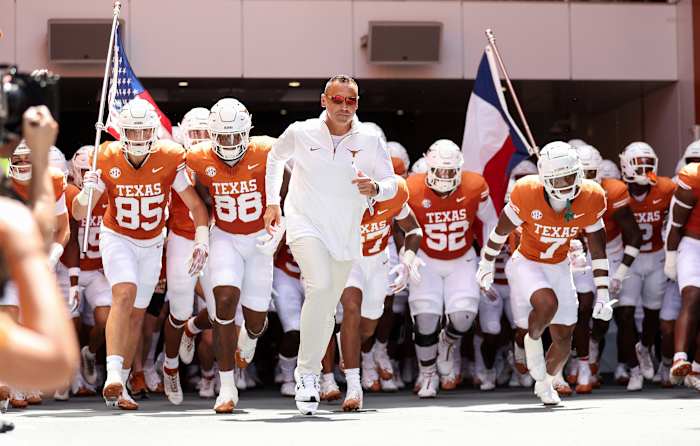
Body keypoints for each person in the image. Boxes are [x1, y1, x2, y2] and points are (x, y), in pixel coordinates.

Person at [264, 74, 398, 415]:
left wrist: (376, 189)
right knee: (320, 286)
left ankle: (312, 370)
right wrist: (272, 203)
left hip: (345, 233)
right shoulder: (301, 130)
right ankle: (307, 374)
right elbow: (274, 158)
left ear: (357, 104)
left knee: (325, 305)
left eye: (350, 100)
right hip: (303, 222)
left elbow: (391, 182)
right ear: (324, 100)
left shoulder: (369, 138)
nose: (343, 106)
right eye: (337, 99)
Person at [72, 98, 210, 410]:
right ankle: (113, 376)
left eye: (143, 131)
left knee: (136, 313)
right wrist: (85, 192)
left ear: (154, 131)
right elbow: (80, 212)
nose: (136, 139)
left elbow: (197, 207)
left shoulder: (169, 156)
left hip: (152, 242)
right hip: (117, 236)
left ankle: (121, 383)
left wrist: (201, 238)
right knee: (123, 294)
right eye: (131, 132)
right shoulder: (104, 157)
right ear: (121, 132)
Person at [476, 141, 614, 405]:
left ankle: (546, 382)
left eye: (570, 176)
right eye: (557, 178)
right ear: (544, 178)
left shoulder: (592, 196)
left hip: (559, 265)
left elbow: (598, 250)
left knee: (564, 337)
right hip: (526, 262)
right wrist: (486, 263)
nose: (564, 184)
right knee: (547, 304)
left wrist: (604, 294)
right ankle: (531, 341)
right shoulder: (527, 191)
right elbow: (500, 232)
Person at [187, 98, 285, 413]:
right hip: (226, 235)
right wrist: (205, 233)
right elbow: (202, 195)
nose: (229, 144)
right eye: (222, 137)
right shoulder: (199, 157)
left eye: (235, 136)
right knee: (224, 303)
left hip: (259, 239)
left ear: (248, 131)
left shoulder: (268, 151)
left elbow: (293, 196)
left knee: (256, 322)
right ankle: (227, 387)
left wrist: (281, 232)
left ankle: (252, 336)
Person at [406, 139, 496, 397]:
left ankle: (448, 341)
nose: (445, 177)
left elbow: (490, 220)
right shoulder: (412, 187)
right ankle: (427, 376)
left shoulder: (474, 184)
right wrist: (407, 254)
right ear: (428, 169)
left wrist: (487, 260)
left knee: (464, 317)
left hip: (461, 258)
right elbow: (401, 225)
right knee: (424, 320)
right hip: (427, 258)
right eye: (440, 171)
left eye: (450, 171)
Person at [339, 173, 422, 410]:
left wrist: (407, 259)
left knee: (367, 328)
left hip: (377, 261)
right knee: (351, 311)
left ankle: (346, 341)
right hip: (348, 260)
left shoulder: (392, 193)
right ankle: (354, 387)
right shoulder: (336, 198)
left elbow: (413, 230)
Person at [569, 144, 641, 393]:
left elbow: (634, 236)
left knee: (604, 313)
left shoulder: (614, 191)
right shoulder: (563, 190)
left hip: (610, 253)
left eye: (591, 173)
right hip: (582, 253)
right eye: (582, 173)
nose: (586, 179)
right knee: (583, 306)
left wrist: (620, 272)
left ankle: (593, 344)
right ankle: (584, 366)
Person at [616, 142, 674, 390]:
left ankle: (646, 347)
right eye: (638, 164)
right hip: (628, 259)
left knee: (652, 314)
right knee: (625, 313)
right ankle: (634, 368)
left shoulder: (666, 188)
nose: (644, 169)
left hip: (656, 256)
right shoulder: (618, 191)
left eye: (648, 164)